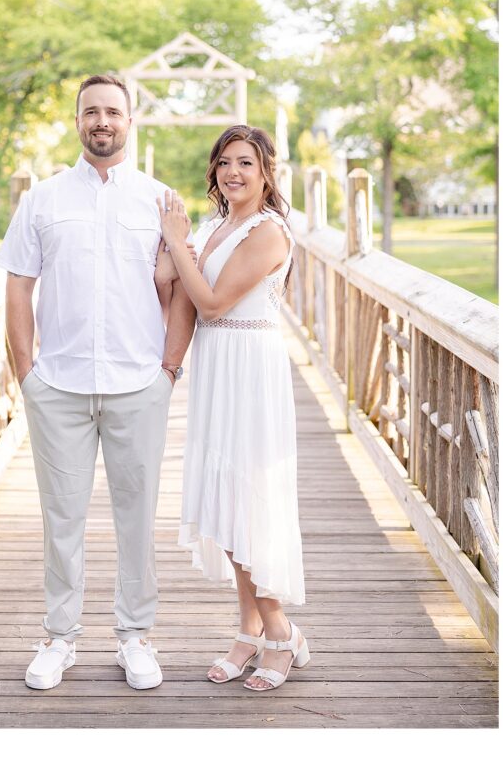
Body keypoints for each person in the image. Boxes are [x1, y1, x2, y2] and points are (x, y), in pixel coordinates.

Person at [0, 74, 196, 691]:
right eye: (91, 112)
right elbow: (19, 286)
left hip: (140, 382)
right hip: (58, 383)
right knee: (63, 516)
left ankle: (135, 636)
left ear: (130, 121)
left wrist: (168, 369)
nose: (101, 121)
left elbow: (183, 285)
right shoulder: (43, 200)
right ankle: (60, 637)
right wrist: (26, 373)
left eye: (113, 111)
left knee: (138, 515)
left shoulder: (161, 201)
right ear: (78, 122)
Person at [155, 124, 308, 692]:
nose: (233, 173)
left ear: (266, 172)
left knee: (250, 501)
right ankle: (246, 631)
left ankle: (280, 632)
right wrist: (170, 255)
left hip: (251, 370)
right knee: (223, 497)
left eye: (245, 163)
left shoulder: (270, 233)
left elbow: (216, 303)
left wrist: (176, 242)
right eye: (224, 163)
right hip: (216, 368)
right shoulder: (218, 226)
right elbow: (180, 291)